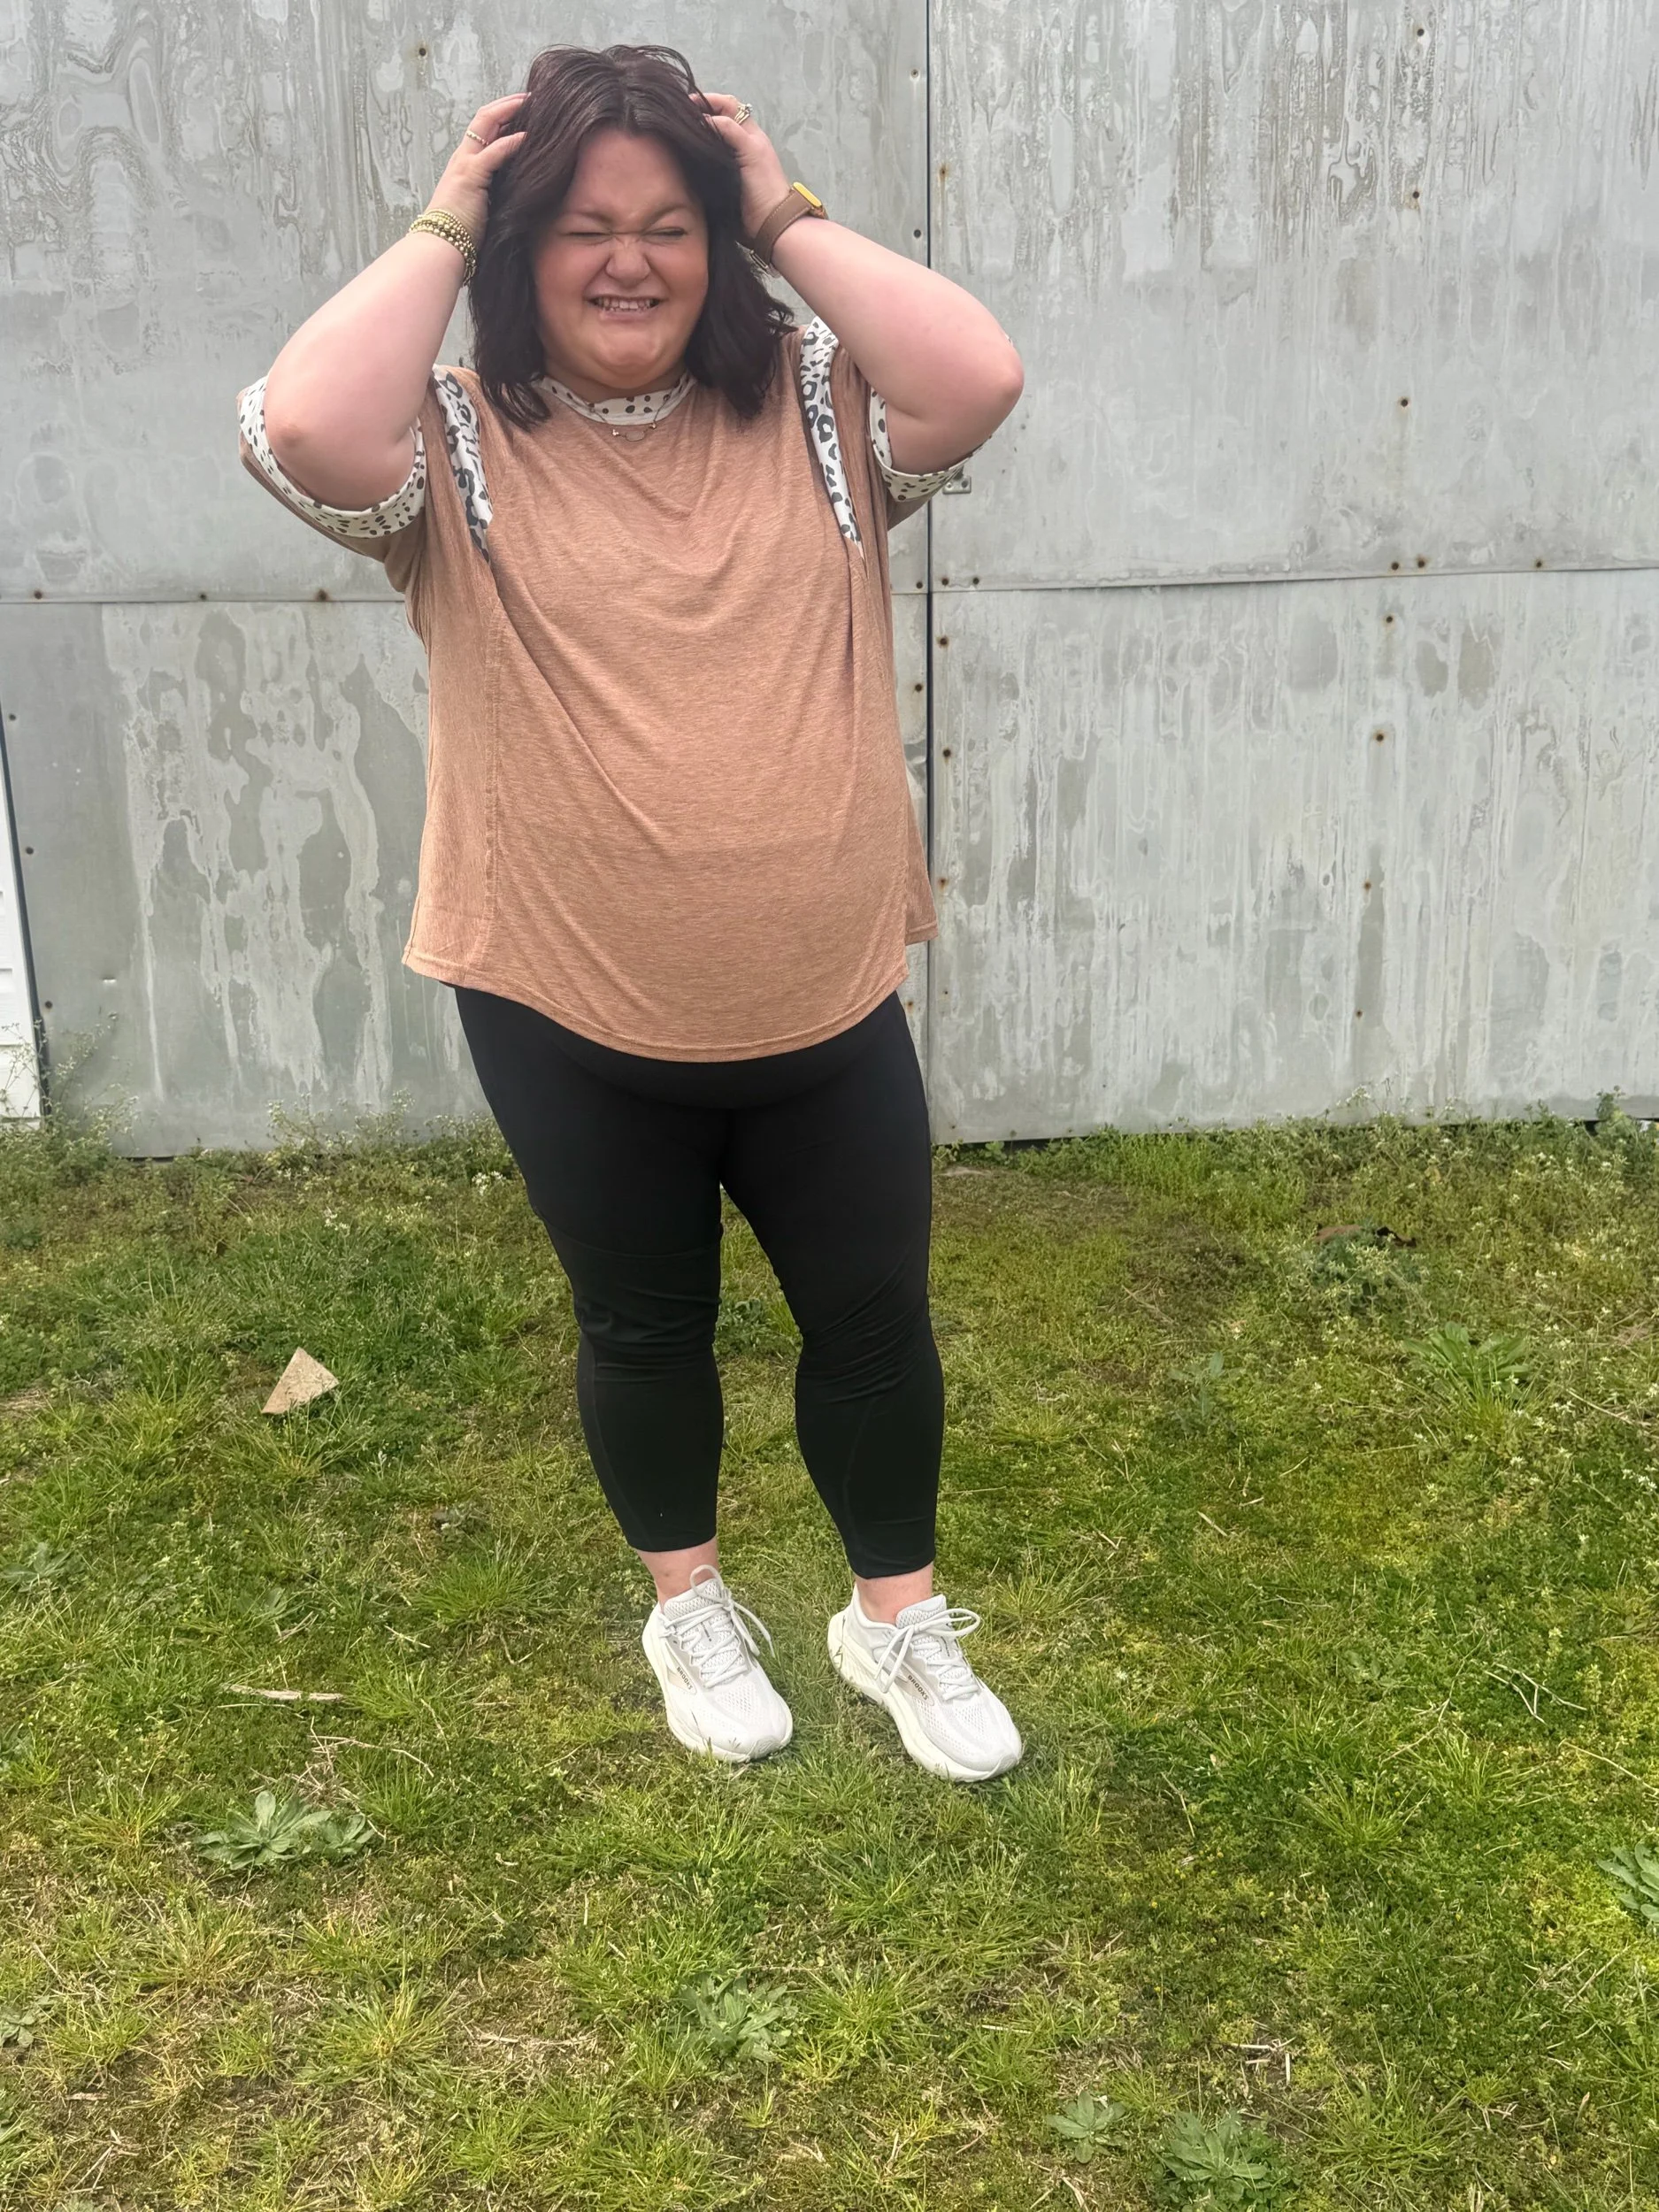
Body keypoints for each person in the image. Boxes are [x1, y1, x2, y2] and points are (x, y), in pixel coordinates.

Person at [237, 43, 1025, 1782]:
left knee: (873, 1321)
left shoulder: (819, 410)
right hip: (564, 1001)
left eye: (669, 224)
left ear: (717, 244)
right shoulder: (449, 443)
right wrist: (450, 210)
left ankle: (893, 1618)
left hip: (823, 999)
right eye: (581, 226)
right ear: (519, 251)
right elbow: (303, 425)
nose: (628, 261)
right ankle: (691, 1605)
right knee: (644, 1325)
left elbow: (975, 373)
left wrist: (778, 206)